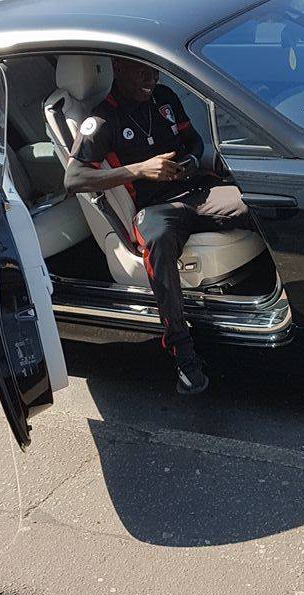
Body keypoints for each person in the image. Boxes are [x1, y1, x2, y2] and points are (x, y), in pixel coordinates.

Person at [64, 58, 253, 396]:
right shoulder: (101, 119)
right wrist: (139, 170)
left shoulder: (165, 97)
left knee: (257, 202)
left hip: (195, 191)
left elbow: (194, 142)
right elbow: (74, 178)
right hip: (155, 208)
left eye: (154, 71)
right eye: (141, 72)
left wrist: (191, 162)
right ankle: (182, 351)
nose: (150, 79)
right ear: (118, 70)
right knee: (160, 241)